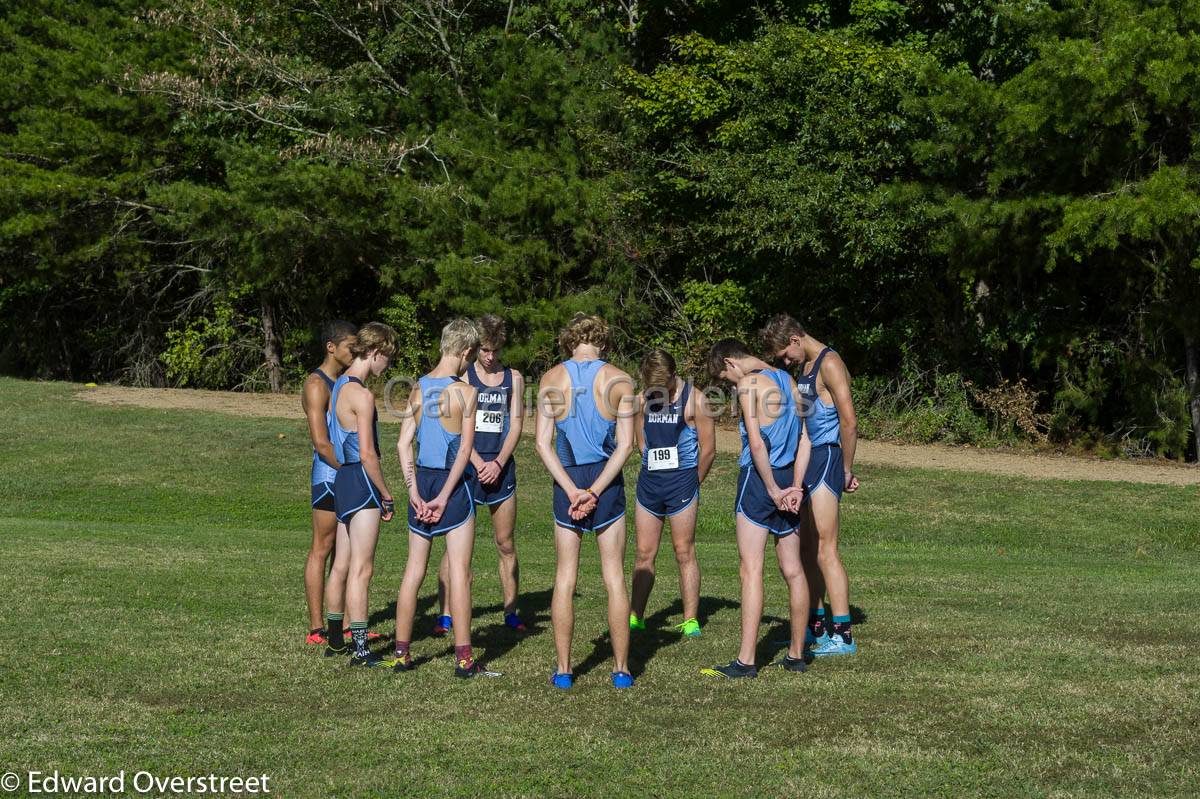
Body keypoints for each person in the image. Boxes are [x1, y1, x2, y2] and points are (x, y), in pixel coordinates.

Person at [700, 339, 812, 679]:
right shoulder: (788, 381)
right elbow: (805, 438)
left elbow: (756, 441)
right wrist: (795, 485)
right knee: (793, 570)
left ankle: (746, 660)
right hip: (789, 477)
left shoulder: (749, 385)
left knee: (751, 569)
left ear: (732, 363)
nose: (731, 385)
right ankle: (795, 655)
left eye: (726, 378)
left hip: (758, 481)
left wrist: (773, 489)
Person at [535, 313, 636, 689]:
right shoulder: (618, 378)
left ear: (567, 342)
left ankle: (564, 669)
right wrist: (594, 492)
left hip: (569, 481)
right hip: (605, 482)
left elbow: (542, 444)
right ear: (604, 343)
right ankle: (622, 668)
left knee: (564, 579)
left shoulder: (551, 378)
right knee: (614, 578)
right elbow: (626, 445)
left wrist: (572, 489)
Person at [394, 319, 498, 678]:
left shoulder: (419, 388)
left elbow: (402, 443)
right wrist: (443, 495)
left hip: (421, 483)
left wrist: (414, 492)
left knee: (414, 571)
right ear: (467, 351)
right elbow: (466, 449)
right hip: (453, 490)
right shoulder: (467, 392)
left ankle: (401, 653)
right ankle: (464, 659)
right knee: (460, 573)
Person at [762, 314, 860, 657]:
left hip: (829, 457)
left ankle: (844, 634)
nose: (785, 362)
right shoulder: (804, 368)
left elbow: (849, 421)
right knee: (806, 549)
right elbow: (805, 426)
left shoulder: (829, 363)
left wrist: (846, 469)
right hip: (809, 459)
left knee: (826, 549)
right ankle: (815, 625)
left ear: (795, 339)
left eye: (786, 355)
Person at [431, 314, 527, 636]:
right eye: (484, 350)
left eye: (495, 350)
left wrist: (498, 462)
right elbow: (456, 429)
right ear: (474, 349)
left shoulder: (514, 378)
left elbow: (516, 425)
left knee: (505, 542)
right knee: (455, 549)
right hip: (468, 471)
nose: (490, 357)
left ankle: (511, 610)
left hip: (500, 471)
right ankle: (446, 615)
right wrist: (476, 461)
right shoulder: (464, 378)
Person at [322, 322, 399, 667]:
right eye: (388, 360)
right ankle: (362, 648)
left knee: (341, 564)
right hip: (363, 481)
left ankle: (335, 638)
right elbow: (368, 453)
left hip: (343, 480)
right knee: (362, 570)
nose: (388, 368)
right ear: (376, 352)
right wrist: (386, 494)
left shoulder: (338, 385)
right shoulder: (363, 395)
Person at [629, 349, 716, 638]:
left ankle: (690, 619)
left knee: (684, 551)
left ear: (673, 375)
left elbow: (709, 450)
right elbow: (639, 437)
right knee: (644, 553)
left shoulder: (696, 399)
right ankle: (636, 616)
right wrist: (648, 457)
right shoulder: (643, 399)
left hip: (682, 484)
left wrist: (694, 481)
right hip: (650, 484)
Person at [302, 320, 357, 645]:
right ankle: (316, 628)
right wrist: (353, 472)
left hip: (347, 473)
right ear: (331, 347)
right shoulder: (316, 385)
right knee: (323, 548)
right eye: (351, 346)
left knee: (348, 552)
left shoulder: (345, 382)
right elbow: (322, 444)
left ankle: (348, 623)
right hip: (328, 477)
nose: (355, 353)